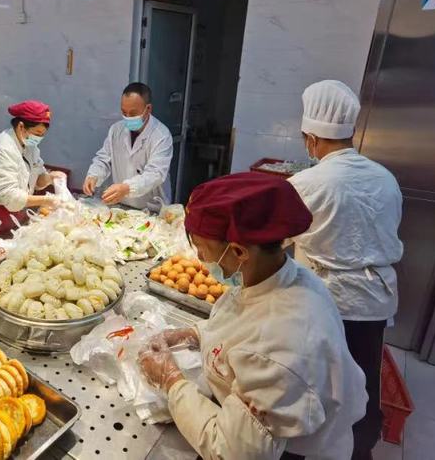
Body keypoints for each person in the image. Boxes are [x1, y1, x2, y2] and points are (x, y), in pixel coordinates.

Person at [139, 172, 367, 460]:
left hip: (292, 453)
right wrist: (194, 333)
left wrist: (171, 380)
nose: (200, 258)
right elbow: (240, 321)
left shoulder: (279, 347)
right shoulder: (284, 276)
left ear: (238, 251)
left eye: (202, 249)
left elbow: (231, 450)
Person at [289, 80, 403, 460]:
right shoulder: (385, 178)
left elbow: (277, 237)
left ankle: (300, 449)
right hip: (374, 301)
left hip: (328, 301)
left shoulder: (307, 183)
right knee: (363, 383)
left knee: (313, 383)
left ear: (312, 139)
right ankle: (360, 448)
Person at [83, 82, 173, 211]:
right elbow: (104, 159)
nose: (128, 118)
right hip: (121, 205)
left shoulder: (161, 135)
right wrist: (94, 175)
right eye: (124, 112)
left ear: (148, 109)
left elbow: (155, 173)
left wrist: (127, 188)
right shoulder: (116, 130)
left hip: (151, 208)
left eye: (133, 113)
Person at [0, 100, 59, 237]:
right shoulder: (2, 149)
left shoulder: (30, 147)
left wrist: (51, 178)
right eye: (37, 133)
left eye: (42, 135)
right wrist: (46, 200)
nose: (39, 138)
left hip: (19, 211)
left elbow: (37, 181)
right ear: (21, 126)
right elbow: (9, 196)